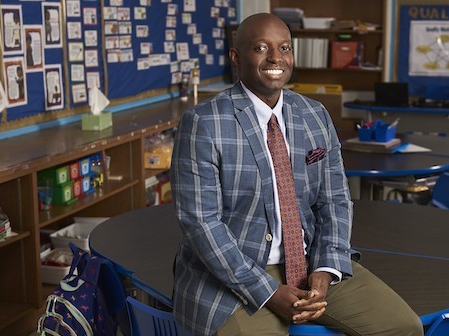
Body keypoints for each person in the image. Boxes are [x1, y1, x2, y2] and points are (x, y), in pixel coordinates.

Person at [171, 13, 423, 336]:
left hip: (307, 262)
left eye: (285, 48)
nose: (276, 57)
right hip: (233, 276)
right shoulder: (203, 123)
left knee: (405, 327)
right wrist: (268, 291)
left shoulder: (315, 115)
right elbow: (201, 224)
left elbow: (335, 200)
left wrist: (325, 268)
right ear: (236, 57)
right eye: (261, 47)